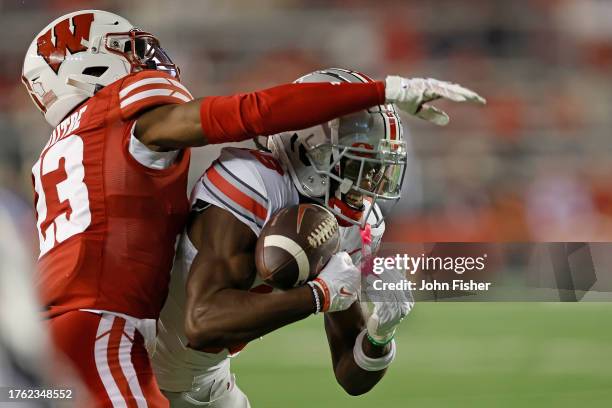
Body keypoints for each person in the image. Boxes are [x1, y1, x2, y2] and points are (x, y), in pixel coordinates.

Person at [23, 8, 483, 406]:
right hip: (112, 329)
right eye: (128, 50)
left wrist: (380, 336)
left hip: (164, 359)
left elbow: (350, 374)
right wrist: (381, 89)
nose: (147, 60)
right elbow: (250, 112)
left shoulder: (69, 146)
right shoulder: (242, 175)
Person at [152, 68, 485, 407]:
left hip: (207, 380)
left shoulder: (352, 223)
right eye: (359, 165)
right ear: (308, 150)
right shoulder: (251, 183)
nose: (371, 183)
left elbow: (350, 376)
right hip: (140, 368)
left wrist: (380, 336)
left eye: (379, 167)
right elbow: (202, 323)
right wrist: (319, 295)